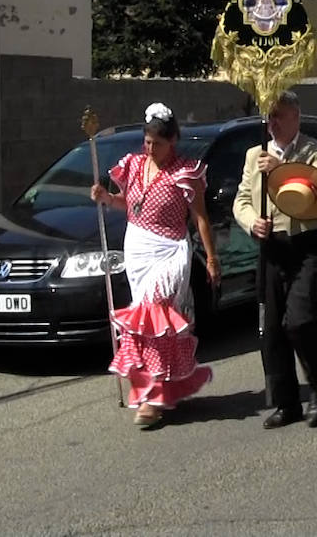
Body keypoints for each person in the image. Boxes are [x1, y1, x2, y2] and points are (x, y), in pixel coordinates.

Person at [91, 102, 219, 426]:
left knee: (152, 315)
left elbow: (200, 217)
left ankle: (150, 399)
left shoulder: (184, 172)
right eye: (147, 142)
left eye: (157, 144)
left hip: (169, 250)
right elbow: (131, 206)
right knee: (146, 324)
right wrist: (107, 199)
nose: (150, 149)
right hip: (137, 250)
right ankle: (160, 387)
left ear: (172, 140)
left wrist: (212, 258)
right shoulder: (133, 165)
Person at [233, 91, 317, 428]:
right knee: (273, 329)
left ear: (296, 115)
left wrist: (282, 169)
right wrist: (252, 222)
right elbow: (242, 199)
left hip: (307, 243)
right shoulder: (255, 155)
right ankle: (286, 401)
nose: (272, 122)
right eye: (269, 116)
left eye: (279, 115)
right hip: (272, 246)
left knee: (300, 319)